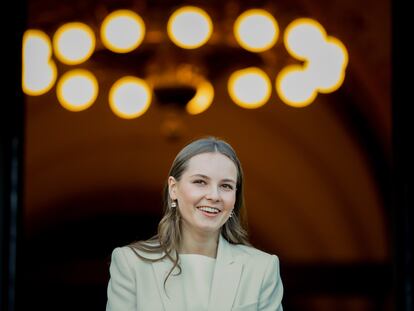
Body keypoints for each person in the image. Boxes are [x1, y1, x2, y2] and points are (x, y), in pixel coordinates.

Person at [106, 136, 284, 310]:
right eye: (200, 182)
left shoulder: (262, 268)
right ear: (174, 189)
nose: (214, 196)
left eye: (226, 186)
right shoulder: (130, 264)